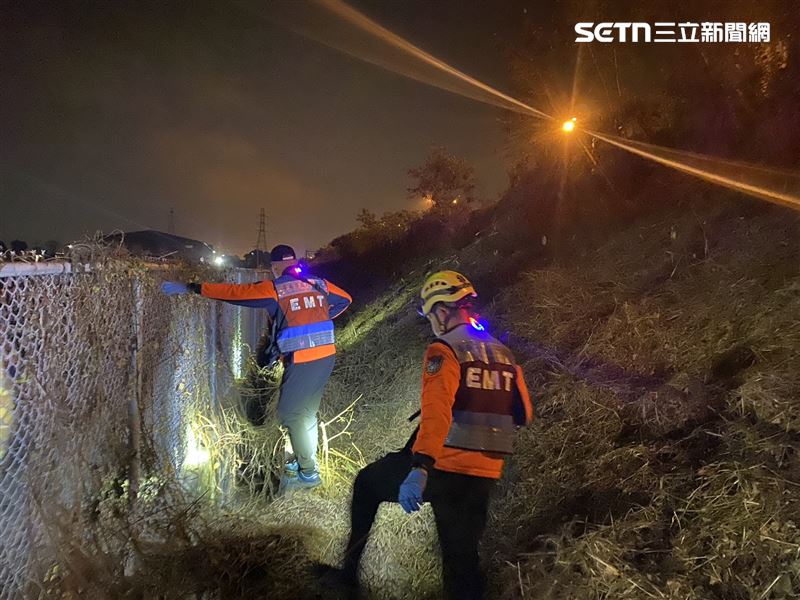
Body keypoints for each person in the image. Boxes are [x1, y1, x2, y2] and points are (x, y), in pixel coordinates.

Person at [322, 270, 533, 599]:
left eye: (431, 312)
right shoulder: (502, 353)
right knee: (461, 559)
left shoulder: (445, 349)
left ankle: (347, 577)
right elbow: (523, 414)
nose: (432, 321)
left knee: (366, 484)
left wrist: (419, 468)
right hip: (486, 472)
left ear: (443, 309)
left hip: (444, 467)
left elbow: (437, 414)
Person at [161, 244, 351, 490]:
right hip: (326, 356)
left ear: (274, 267)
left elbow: (235, 292)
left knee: (289, 414)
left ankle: (309, 473)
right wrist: (319, 315)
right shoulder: (319, 283)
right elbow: (346, 299)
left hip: (303, 359)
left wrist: (192, 288)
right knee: (306, 413)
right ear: (295, 261)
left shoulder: (275, 289)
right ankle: (306, 461)